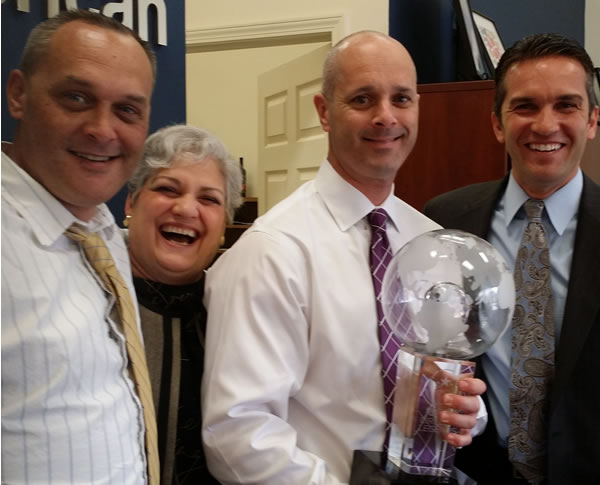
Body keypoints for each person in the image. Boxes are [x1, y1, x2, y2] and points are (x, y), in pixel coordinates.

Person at [201, 31, 487, 484]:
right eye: (362, 99)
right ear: (323, 112)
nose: (386, 117)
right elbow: (236, 433)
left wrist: (465, 409)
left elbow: (442, 378)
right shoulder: (273, 251)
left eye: (401, 99)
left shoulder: (432, 246)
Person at [424, 33, 599, 485]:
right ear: (497, 124)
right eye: (525, 106)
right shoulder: (445, 222)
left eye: (566, 105)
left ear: (592, 120)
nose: (545, 125)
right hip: (476, 472)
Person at [2, 9, 157, 484]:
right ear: (19, 94)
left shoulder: (102, 229)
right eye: (76, 98)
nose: (102, 130)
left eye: (127, 110)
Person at [123, 124, 243, 484]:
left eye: (209, 199)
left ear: (225, 224)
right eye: (167, 189)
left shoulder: (239, 312)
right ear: (131, 204)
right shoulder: (88, 300)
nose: (187, 208)